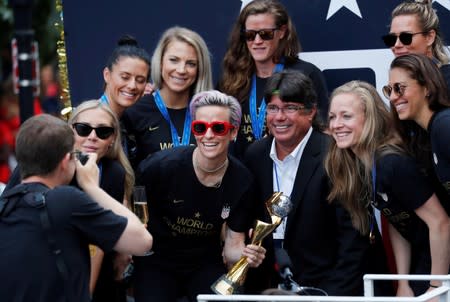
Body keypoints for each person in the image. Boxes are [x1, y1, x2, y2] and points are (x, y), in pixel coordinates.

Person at [244, 70, 390, 296]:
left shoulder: (336, 156)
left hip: (329, 288)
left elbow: (353, 247)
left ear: (311, 112)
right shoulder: (255, 155)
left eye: (290, 108)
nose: (279, 117)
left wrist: (326, 299)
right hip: (272, 289)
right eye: (273, 108)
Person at [0, 114, 152, 302]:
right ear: (65, 161)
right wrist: (91, 186)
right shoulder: (64, 200)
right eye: (74, 156)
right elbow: (142, 241)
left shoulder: (6, 203)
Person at [133, 90, 265, 302]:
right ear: (194, 131)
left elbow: (233, 244)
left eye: (219, 128)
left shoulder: (243, 181)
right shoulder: (157, 167)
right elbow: (136, 221)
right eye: (200, 127)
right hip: (157, 260)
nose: (209, 135)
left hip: (204, 262)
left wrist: (245, 258)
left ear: (233, 132)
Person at [326, 80, 450, 297]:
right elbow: (397, 220)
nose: (336, 124)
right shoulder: (361, 164)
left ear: (369, 118)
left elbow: (441, 222)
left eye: (346, 116)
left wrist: (435, 288)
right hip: (422, 261)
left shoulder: (391, 164)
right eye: (332, 117)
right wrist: (402, 282)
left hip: (440, 263)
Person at [218, 0, 328, 158]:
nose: (257, 41)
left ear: (282, 31)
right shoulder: (231, 80)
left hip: (290, 170)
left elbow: (323, 131)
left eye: (265, 34)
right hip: (243, 173)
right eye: (250, 35)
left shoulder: (306, 74)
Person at [68, 100, 135, 302]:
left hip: (94, 265)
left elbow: (97, 243)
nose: (92, 137)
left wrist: (85, 295)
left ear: (112, 139)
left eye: (103, 132)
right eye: (83, 129)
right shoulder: (51, 164)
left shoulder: (113, 174)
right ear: (70, 132)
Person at [123, 26, 213, 167]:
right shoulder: (135, 113)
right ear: (160, 62)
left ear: (200, 69)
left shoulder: (210, 113)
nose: (181, 70)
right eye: (174, 60)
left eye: (191, 63)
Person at [100, 35, 151, 164]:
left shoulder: (128, 121)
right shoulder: (91, 121)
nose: (132, 86)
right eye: (125, 77)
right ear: (107, 75)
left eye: (140, 80)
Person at [382, 0, 450, 91]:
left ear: (429, 37)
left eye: (406, 37)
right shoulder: (397, 86)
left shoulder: (447, 80)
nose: (396, 45)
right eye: (391, 39)